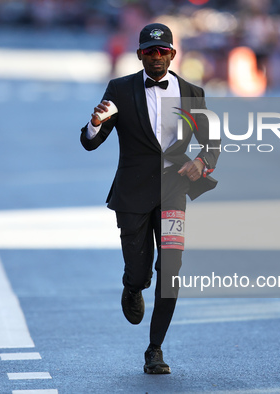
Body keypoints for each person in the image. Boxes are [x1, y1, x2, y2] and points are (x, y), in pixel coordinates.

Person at [80, 23, 220, 374]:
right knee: (139, 270)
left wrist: (202, 162)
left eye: (162, 51)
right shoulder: (121, 89)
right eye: (149, 51)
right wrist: (95, 124)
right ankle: (132, 286)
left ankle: (154, 348)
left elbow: (211, 142)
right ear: (139, 54)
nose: (156, 57)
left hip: (174, 191)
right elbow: (90, 141)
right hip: (132, 193)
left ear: (172, 54)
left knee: (171, 270)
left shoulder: (192, 92)